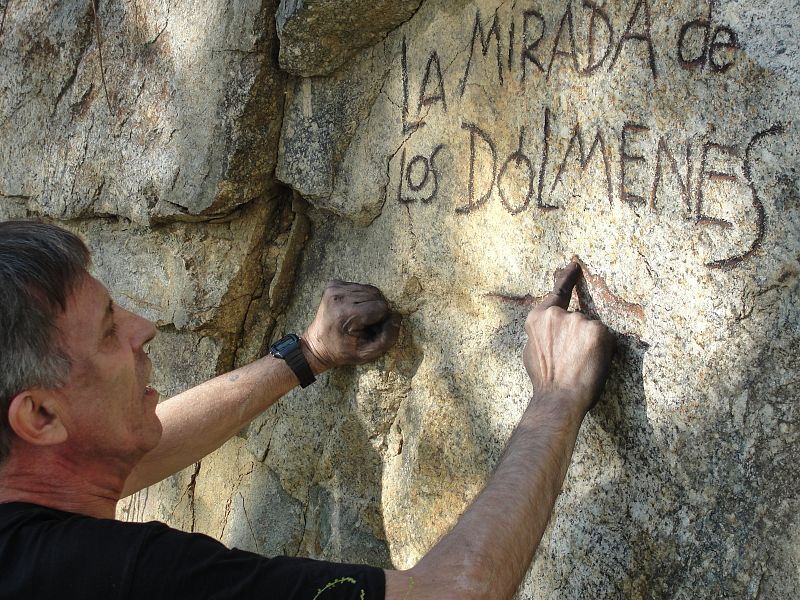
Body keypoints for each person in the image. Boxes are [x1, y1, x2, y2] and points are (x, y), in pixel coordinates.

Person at [0, 220, 614, 599]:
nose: (144, 328)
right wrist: (555, 399)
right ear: (41, 418)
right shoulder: (125, 578)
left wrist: (307, 354)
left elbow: (125, 455)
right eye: (109, 332)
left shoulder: (30, 487)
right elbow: (452, 596)